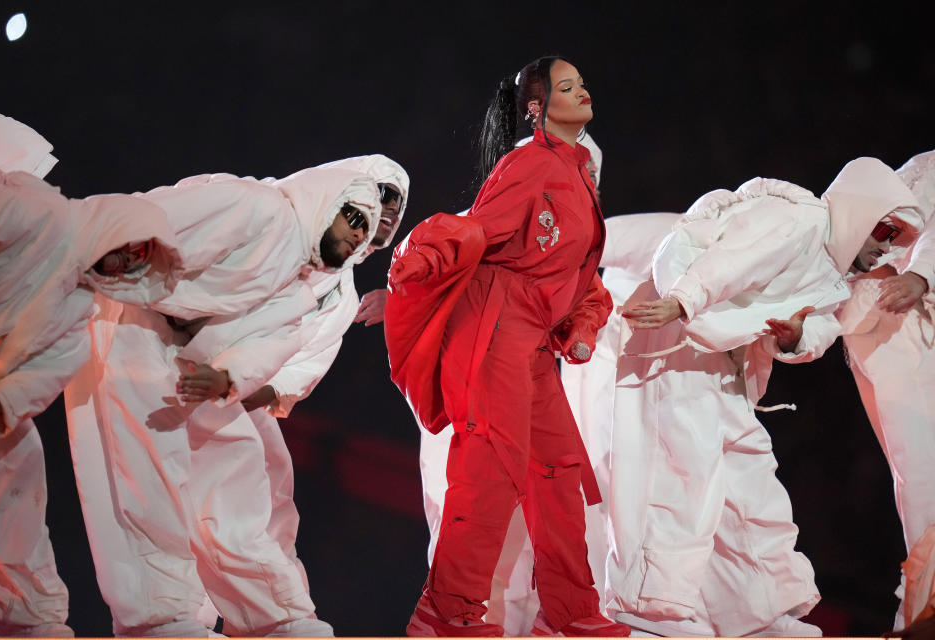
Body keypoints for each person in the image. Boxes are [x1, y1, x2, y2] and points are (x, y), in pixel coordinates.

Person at [63, 165, 380, 637]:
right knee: (143, 479)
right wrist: (99, 256)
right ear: (326, 198)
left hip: (200, 370)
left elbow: (278, 340)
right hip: (130, 326)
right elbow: (158, 217)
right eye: (353, 215)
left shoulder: (303, 282)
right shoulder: (257, 207)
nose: (358, 233)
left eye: (369, 228)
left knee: (239, 487)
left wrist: (229, 377)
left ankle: (274, 617)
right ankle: (162, 617)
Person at [616, 158, 925, 637]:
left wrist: (793, 336)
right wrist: (684, 301)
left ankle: (762, 615)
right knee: (683, 477)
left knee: (752, 482)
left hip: (726, 370)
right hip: (679, 345)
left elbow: (821, 331)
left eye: (895, 240)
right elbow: (735, 260)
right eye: (884, 230)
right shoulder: (798, 220)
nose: (885, 248)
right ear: (861, 212)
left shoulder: (836, 276)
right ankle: (649, 612)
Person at [385, 56, 628, 637]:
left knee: (558, 472)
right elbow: (478, 229)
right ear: (539, 109)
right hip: (494, 327)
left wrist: (581, 324)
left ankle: (572, 616)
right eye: (568, 87)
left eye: (583, 83)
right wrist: (419, 261)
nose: (584, 91)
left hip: (533, 340)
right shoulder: (530, 163)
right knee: (490, 472)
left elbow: (581, 277)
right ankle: (449, 618)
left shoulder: (576, 173)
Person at [0, 106, 181, 638]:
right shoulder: (39, 212)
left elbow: (50, 367)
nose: (127, 262)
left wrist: (0, 404)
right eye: (131, 247)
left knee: (16, 473)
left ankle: (21, 616)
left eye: (139, 260)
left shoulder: (78, 301)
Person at [236, 155, 409, 616]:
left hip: (229, 399)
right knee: (181, 517)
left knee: (269, 499)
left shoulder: (339, 297)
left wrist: (232, 392)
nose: (381, 216)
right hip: (161, 363)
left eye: (392, 210)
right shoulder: (264, 214)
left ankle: (280, 622)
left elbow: (291, 379)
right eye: (371, 204)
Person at [837, 149, 935, 634]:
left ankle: (921, 610)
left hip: (890, 321)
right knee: (918, 472)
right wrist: (921, 275)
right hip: (895, 321)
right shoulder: (926, 167)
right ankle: (923, 610)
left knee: (918, 474)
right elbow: (879, 221)